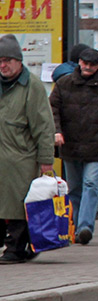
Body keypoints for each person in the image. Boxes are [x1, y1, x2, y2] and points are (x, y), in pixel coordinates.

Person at [49, 47, 98, 246]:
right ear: (79, 62)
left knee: (90, 184)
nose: (88, 67)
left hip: (95, 146)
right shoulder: (64, 84)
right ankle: (74, 226)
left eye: (92, 65)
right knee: (74, 188)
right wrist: (57, 131)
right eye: (85, 63)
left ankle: (85, 227)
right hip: (70, 145)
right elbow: (52, 109)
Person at [0, 34, 55, 263]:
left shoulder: (32, 86)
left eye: (7, 60)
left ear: (19, 60)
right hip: (3, 157)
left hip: (21, 158)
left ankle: (16, 248)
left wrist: (46, 160)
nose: (2, 65)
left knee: (19, 206)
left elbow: (44, 126)